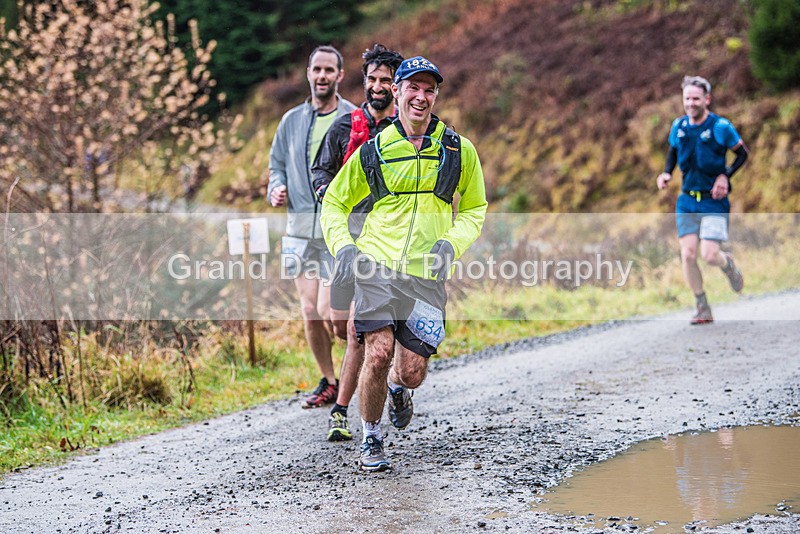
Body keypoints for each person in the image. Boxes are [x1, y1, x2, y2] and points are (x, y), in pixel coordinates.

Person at [321, 56, 488, 471]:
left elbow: (474, 208)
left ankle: (398, 387)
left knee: (411, 371)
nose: (421, 96)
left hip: (425, 274)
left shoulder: (456, 150)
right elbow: (335, 204)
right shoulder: (374, 150)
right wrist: (344, 247)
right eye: (412, 87)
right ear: (396, 91)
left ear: (435, 95)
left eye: (429, 89)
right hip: (376, 265)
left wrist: (451, 243)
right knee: (376, 352)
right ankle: (372, 437)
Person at [311, 44, 404, 442]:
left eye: (386, 80)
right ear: (363, 82)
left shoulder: (407, 131)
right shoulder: (346, 126)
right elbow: (319, 170)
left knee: (355, 330)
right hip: (344, 240)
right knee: (336, 323)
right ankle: (386, 376)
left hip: (384, 244)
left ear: (397, 87)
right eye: (372, 79)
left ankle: (342, 410)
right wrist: (329, 194)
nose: (378, 86)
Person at [268, 45, 356, 408]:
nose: (322, 76)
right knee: (308, 311)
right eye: (316, 69)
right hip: (299, 229)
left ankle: (362, 369)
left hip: (338, 231)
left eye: (328, 70)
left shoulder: (353, 117)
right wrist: (276, 187)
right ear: (308, 73)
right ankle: (330, 381)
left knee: (328, 312)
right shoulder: (290, 120)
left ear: (340, 75)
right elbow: (276, 165)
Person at [657, 75, 748, 324]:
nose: (691, 103)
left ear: (706, 99)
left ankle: (727, 263)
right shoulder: (679, 126)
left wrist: (725, 176)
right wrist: (666, 173)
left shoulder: (721, 127)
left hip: (713, 201)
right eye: (687, 98)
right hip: (687, 200)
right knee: (687, 255)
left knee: (709, 255)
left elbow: (742, 154)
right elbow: (673, 152)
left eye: (696, 98)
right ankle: (702, 305)